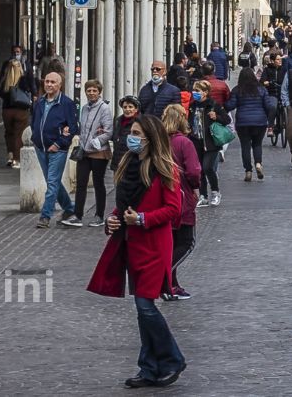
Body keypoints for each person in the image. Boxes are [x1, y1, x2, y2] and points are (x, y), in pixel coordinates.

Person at [89, 104, 187, 387]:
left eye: (136, 134)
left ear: (150, 138)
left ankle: (172, 359)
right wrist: (113, 220)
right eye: (130, 132)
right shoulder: (127, 164)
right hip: (132, 244)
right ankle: (148, 367)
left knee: (145, 306)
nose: (130, 138)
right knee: (142, 308)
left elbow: (173, 209)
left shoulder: (165, 169)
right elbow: (122, 207)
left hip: (155, 246)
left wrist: (142, 218)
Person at [158, 105, 201, 300]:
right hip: (182, 197)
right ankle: (164, 279)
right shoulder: (184, 143)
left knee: (171, 243)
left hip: (162, 199)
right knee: (186, 243)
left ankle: (172, 285)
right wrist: (196, 186)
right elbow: (193, 171)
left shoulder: (159, 142)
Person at [28, 70, 80, 227]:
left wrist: (58, 143)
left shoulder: (67, 103)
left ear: (60, 85)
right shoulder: (39, 103)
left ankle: (45, 216)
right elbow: (34, 122)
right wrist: (36, 138)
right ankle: (69, 209)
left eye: (53, 82)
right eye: (47, 81)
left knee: (52, 183)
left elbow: (72, 128)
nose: (49, 85)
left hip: (58, 149)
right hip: (41, 148)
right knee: (54, 182)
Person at [65, 79, 115, 228]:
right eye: (89, 90)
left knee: (99, 183)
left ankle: (99, 215)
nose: (91, 93)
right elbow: (84, 128)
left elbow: (108, 130)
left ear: (99, 92)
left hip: (99, 151)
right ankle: (78, 215)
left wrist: (96, 140)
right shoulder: (85, 108)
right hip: (84, 151)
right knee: (81, 183)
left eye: (94, 90)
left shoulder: (104, 108)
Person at [229, 67, 273, 182]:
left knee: (245, 146)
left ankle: (248, 170)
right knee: (257, 144)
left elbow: (231, 105)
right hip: (259, 121)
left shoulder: (237, 90)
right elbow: (268, 105)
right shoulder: (262, 89)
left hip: (243, 122)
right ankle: (258, 163)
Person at [0, 56, 34, 166]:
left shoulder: (5, 81)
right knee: (19, 134)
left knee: (9, 133)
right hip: (21, 110)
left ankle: (10, 156)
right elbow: (31, 89)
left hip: (7, 111)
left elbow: (1, 93)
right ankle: (17, 159)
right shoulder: (23, 80)